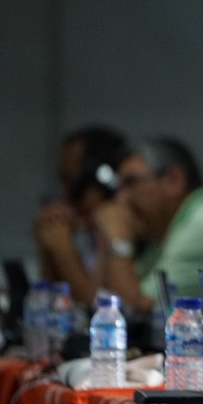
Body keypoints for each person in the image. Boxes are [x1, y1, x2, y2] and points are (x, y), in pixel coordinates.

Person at [95, 136, 203, 314]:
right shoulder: (168, 228)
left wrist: (118, 240)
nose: (120, 200)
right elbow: (100, 299)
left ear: (174, 180)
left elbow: (135, 310)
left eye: (131, 183)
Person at [33, 124, 126, 307]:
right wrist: (48, 251)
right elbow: (56, 305)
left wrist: (63, 248)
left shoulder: (121, 231)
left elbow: (96, 306)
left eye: (73, 183)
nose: (64, 194)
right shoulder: (88, 233)